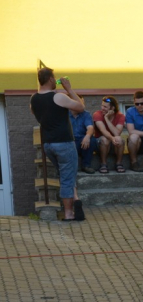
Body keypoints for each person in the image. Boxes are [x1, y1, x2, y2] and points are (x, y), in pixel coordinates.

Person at [30, 67, 85, 221]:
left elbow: (35, 112)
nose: (55, 80)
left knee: (64, 175)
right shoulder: (58, 97)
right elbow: (80, 107)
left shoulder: (33, 99)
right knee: (67, 178)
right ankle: (69, 214)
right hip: (64, 143)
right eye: (54, 78)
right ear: (50, 79)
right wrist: (69, 89)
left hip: (48, 144)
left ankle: (74, 201)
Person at [93, 96, 126, 174]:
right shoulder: (97, 114)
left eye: (105, 107)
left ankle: (119, 163)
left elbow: (117, 133)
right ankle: (103, 164)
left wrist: (107, 119)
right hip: (100, 143)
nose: (102, 108)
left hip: (114, 144)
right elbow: (103, 130)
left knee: (119, 139)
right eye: (102, 106)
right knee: (105, 139)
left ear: (112, 108)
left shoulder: (120, 116)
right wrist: (112, 138)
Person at [68, 97, 96, 174]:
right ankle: (69, 168)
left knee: (91, 140)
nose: (83, 106)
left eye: (83, 104)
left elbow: (90, 127)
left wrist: (87, 136)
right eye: (80, 104)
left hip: (82, 140)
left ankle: (86, 165)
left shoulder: (86, 114)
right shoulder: (64, 114)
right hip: (69, 139)